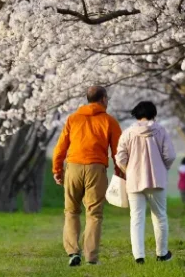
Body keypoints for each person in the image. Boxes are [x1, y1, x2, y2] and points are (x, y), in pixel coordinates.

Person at [52, 86, 123, 267]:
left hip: (73, 167)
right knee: (94, 214)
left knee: (71, 211)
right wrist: (120, 171)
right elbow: (118, 152)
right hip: (95, 168)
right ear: (103, 99)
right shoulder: (109, 121)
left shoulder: (73, 119)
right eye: (107, 98)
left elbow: (60, 148)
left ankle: (73, 252)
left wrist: (57, 170)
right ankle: (91, 257)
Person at [115, 101, 175, 264]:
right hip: (157, 181)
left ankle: (139, 256)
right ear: (153, 114)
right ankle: (162, 254)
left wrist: (129, 171)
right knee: (160, 217)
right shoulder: (161, 131)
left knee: (136, 218)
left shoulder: (128, 133)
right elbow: (170, 156)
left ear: (136, 115)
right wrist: (163, 168)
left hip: (134, 182)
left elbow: (120, 157)